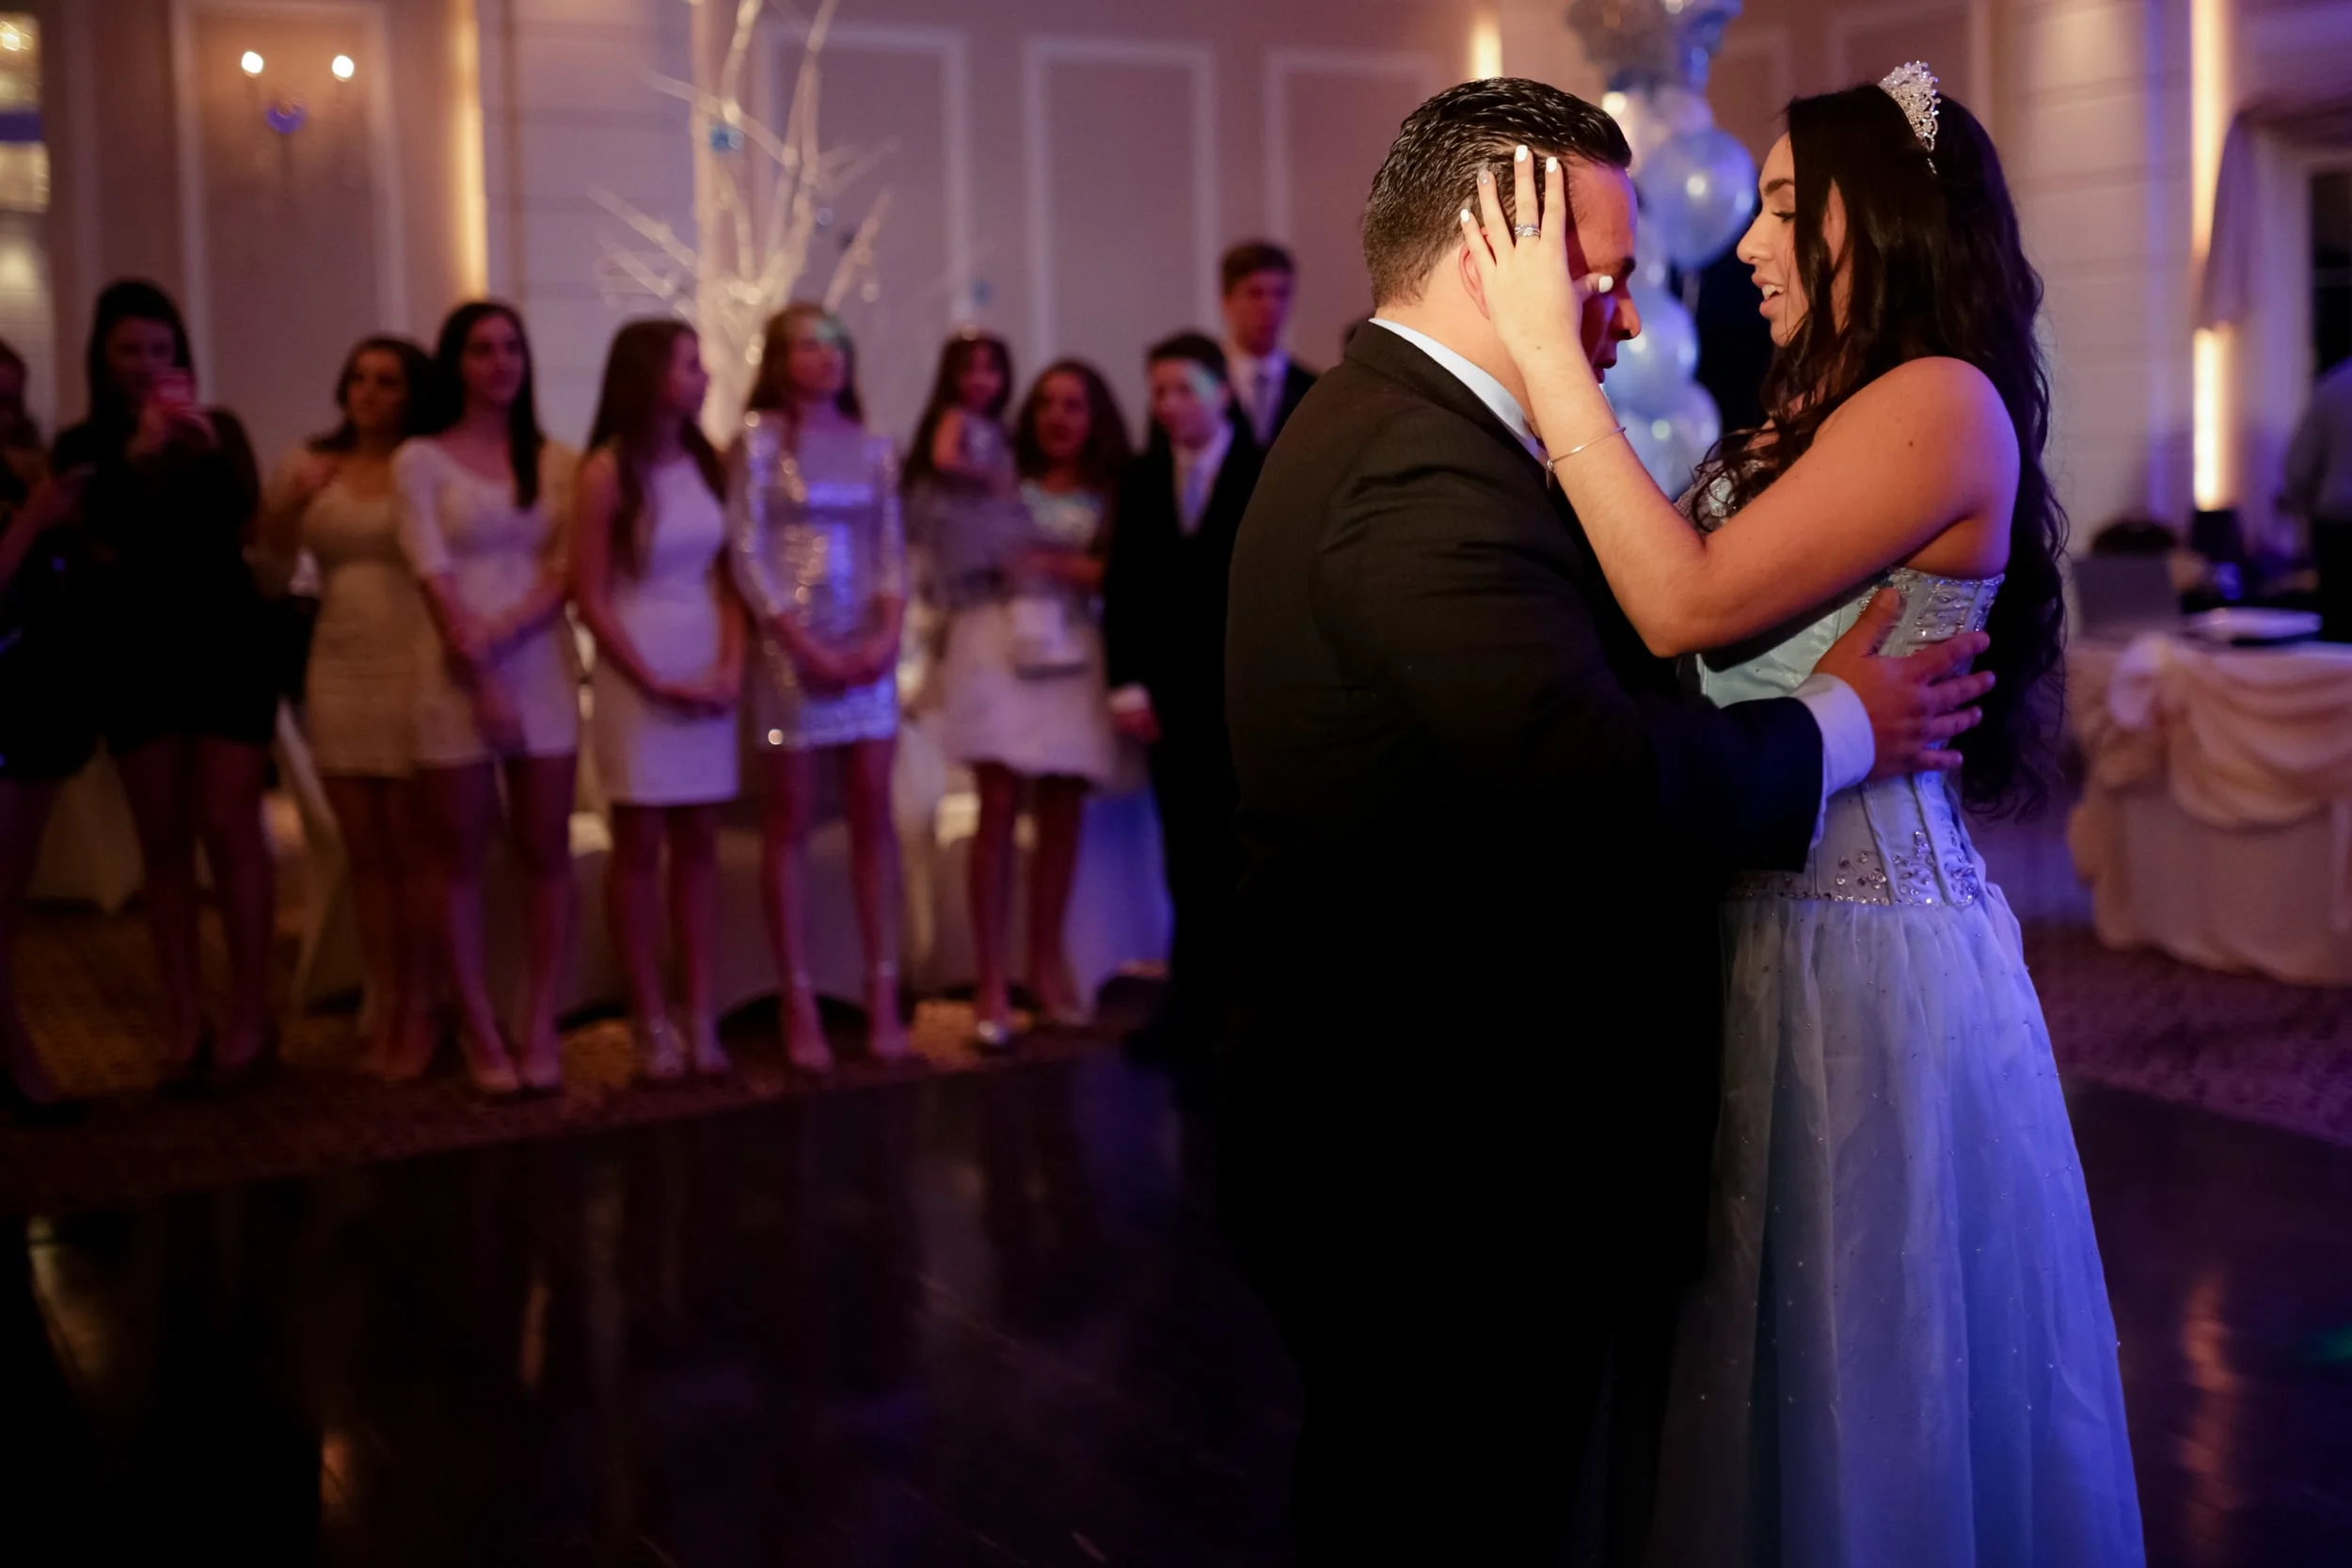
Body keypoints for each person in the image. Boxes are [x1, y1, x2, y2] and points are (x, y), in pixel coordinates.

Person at [1220, 79, 2001, 1564]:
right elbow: (1594, 767)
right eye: (1605, 277)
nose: (1635, 319)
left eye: (1786, 208)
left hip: (1744, 990)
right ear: (1496, 259)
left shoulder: (1415, 435)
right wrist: (1844, 721)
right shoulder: (1414, 466)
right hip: (1430, 1142)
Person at [1469, 70, 2142, 1564]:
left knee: (1856, 1348)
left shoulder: (1942, 400)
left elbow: (1684, 601)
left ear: (1876, 220)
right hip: (1749, 918)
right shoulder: (1806, 416)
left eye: (1783, 205)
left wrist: (1548, 357)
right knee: (1746, 1359)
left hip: (1857, 952)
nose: (1749, 244)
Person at [53, 280, 278, 1092]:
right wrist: (139, 453)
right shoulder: (81, 446)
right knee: (164, 841)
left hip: (225, 640)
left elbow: (245, 520)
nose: (148, 365)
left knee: (231, 825)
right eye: (130, 350)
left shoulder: (218, 431)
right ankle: (184, 1015)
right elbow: (96, 535)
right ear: (102, 357)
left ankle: (252, 1009)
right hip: (136, 648)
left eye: (161, 349)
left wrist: (199, 449)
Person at [395, 302, 580, 1097]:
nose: (501, 362)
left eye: (512, 347)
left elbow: (567, 569)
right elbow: (430, 569)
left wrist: (504, 637)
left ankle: (539, 1019)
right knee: (458, 852)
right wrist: (480, 664)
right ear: (455, 362)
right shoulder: (420, 459)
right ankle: (476, 1022)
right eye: (482, 349)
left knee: (545, 848)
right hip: (450, 665)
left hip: (540, 661)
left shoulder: (558, 459)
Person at [729, 304, 909, 1070]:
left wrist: (886, 639)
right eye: (808, 345)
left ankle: (882, 985)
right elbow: (745, 549)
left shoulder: (874, 445)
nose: (826, 357)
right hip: (788, 653)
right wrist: (797, 641)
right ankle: (796, 995)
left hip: (867, 648)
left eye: (835, 344)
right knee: (790, 819)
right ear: (780, 358)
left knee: (874, 816)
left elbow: (891, 548)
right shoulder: (757, 441)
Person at [934, 358, 1130, 1047]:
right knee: (995, 809)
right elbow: (956, 555)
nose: (1057, 417)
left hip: (1073, 647)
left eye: (1073, 405)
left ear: (1095, 416)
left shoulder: (1114, 490)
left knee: (1061, 810)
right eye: (1046, 403)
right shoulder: (997, 480)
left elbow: (1128, 571)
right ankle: (990, 979)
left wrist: (1056, 563)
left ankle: (1045, 964)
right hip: (998, 645)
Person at [257, 335, 437, 1079]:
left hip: (415, 660)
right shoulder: (310, 461)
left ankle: (421, 1005)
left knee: (410, 851)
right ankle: (383, 997)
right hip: (337, 663)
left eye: (387, 381)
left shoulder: (427, 461)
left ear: (412, 392)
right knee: (364, 852)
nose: (368, 392)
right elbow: (269, 572)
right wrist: (288, 507)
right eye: (358, 377)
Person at [574, 319, 743, 1083]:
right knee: (639, 847)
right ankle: (648, 1016)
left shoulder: (710, 462)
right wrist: (648, 677)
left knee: (700, 846)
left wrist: (730, 665)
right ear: (649, 376)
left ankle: (700, 1009)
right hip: (635, 662)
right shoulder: (606, 471)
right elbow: (589, 592)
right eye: (689, 364)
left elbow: (730, 576)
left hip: (704, 651)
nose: (704, 377)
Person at [1104, 333, 1262, 1062]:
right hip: (1168, 700)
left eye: (1183, 390)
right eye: (1159, 392)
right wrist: (1125, 682)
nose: (1169, 405)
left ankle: (1245, 1007)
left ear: (1221, 392)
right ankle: (1190, 1001)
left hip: (1241, 699)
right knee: (1183, 854)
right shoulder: (1141, 477)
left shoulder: (1262, 468)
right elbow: (1125, 586)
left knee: (1239, 854)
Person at [0, 435, 92, 1120]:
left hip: (38, 688)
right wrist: (32, 518)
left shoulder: (28, 460)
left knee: (11, 895)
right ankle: (16, 1058)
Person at [1220, 241, 1316, 450]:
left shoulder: (1312, 388)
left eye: (1281, 294)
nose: (1270, 306)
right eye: (1255, 294)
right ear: (1227, 300)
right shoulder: (1201, 383)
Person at [2285, 356, 2352, 638]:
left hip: (2341, 531)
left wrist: (2308, 515)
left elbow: (2298, 468)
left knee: (2341, 633)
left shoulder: (2334, 386)